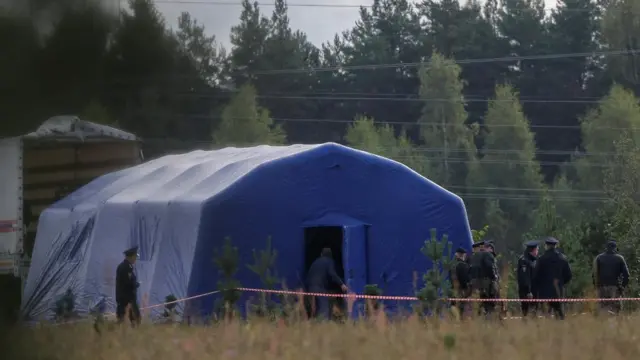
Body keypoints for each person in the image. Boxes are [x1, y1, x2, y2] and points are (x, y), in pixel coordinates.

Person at [532, 237, 572, 320]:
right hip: (558, 292)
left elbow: (535, 276)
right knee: (560, 315)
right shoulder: (562, 258)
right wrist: (561, 283)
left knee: (547, 316)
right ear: (556, 245)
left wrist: (539, 288)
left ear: (546, 246)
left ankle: (548, 331)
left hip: (545, 293)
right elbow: (569, 275)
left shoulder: (541, 259)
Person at [306, 248, 348, 320]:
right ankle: (323, 325)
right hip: (319, 288)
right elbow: (332, 273)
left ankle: (313, 323)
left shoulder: (315, 262)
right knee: (324, 308)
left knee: (314, 308)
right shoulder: (329, 261)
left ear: (321, 254)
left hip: (310, 287)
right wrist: (341, 284)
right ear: (331, 256)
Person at [593, 240, 630, 315]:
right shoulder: (620, 258)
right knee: (615, 310)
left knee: (602, 309)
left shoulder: (599, 258)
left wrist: (596, 286)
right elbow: (627, 275)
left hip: (602, 287)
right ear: (615, 248)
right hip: (615, 287)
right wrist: (622, 287)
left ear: (606, 248)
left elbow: (594, 274)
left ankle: (603, 325)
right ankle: (615, 325)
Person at [116, 246, 141, 326]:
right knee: (135, 318)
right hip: (128, 298)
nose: (135, 259)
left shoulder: (121, 266)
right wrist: (136, 284)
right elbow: (128, 283)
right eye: (135, 257)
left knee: (122, 318)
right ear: (131, 257)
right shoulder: (127, 267)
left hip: (122, 297)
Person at [517, 241, 539, 317]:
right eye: (537, 250)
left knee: (534, 312)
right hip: (527, 292)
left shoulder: (533, 260)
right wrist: (528, 291)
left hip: (534, 290)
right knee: (526, 312)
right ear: (532, 250)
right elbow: (525, 277)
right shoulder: (524, 260)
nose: (537, 252)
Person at [450, 247, 471, 317]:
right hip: (461, 292)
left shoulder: (452, 265)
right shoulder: (463, 265)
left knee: (453, 310)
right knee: (461, 311)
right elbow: (464, 280)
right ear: (462, 255)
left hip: (453, 291)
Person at [482, 241, 501, 316]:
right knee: (491, 303)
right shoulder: (488, 256)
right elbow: (490, 268)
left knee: (487, 304)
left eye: (486, 247)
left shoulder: (484, 256)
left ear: (491, 249)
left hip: (485, 284)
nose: (485, 249)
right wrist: (494, 276)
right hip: (490, 284)